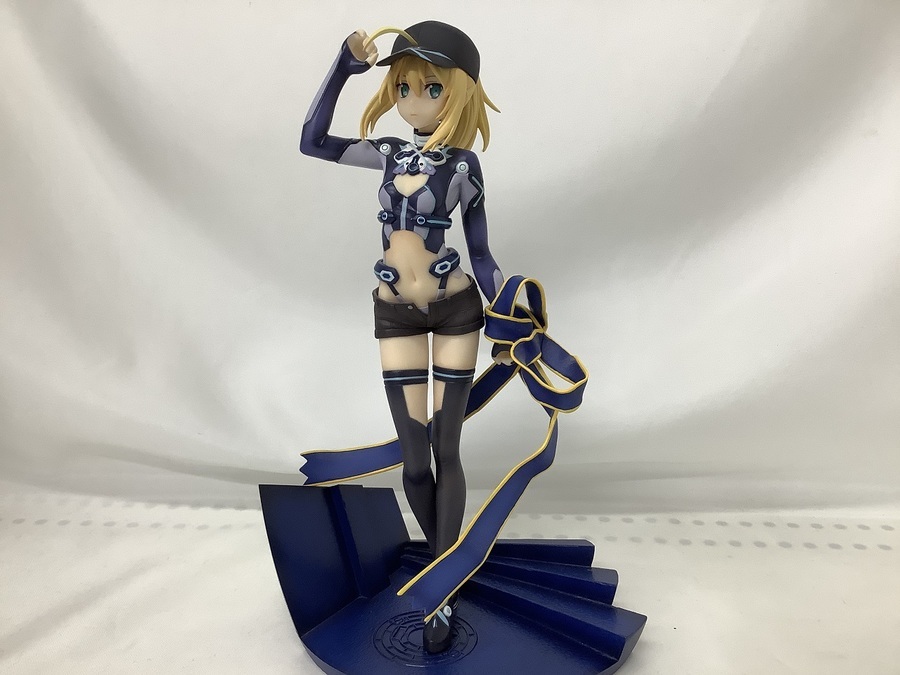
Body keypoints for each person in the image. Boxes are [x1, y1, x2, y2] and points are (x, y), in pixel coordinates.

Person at [299, 20, 504, 653]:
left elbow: (481, 254)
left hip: (456, 311)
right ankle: (447, 564)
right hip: (395, 314)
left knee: (447, 447)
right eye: (405, 86)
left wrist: (509, 307)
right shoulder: (388, 153)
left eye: (432, 87)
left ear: (460, 92)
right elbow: (312, 142)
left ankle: (440, 590)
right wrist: (342, 68)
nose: (414, 100)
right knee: (415, 461)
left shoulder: (464, 166)